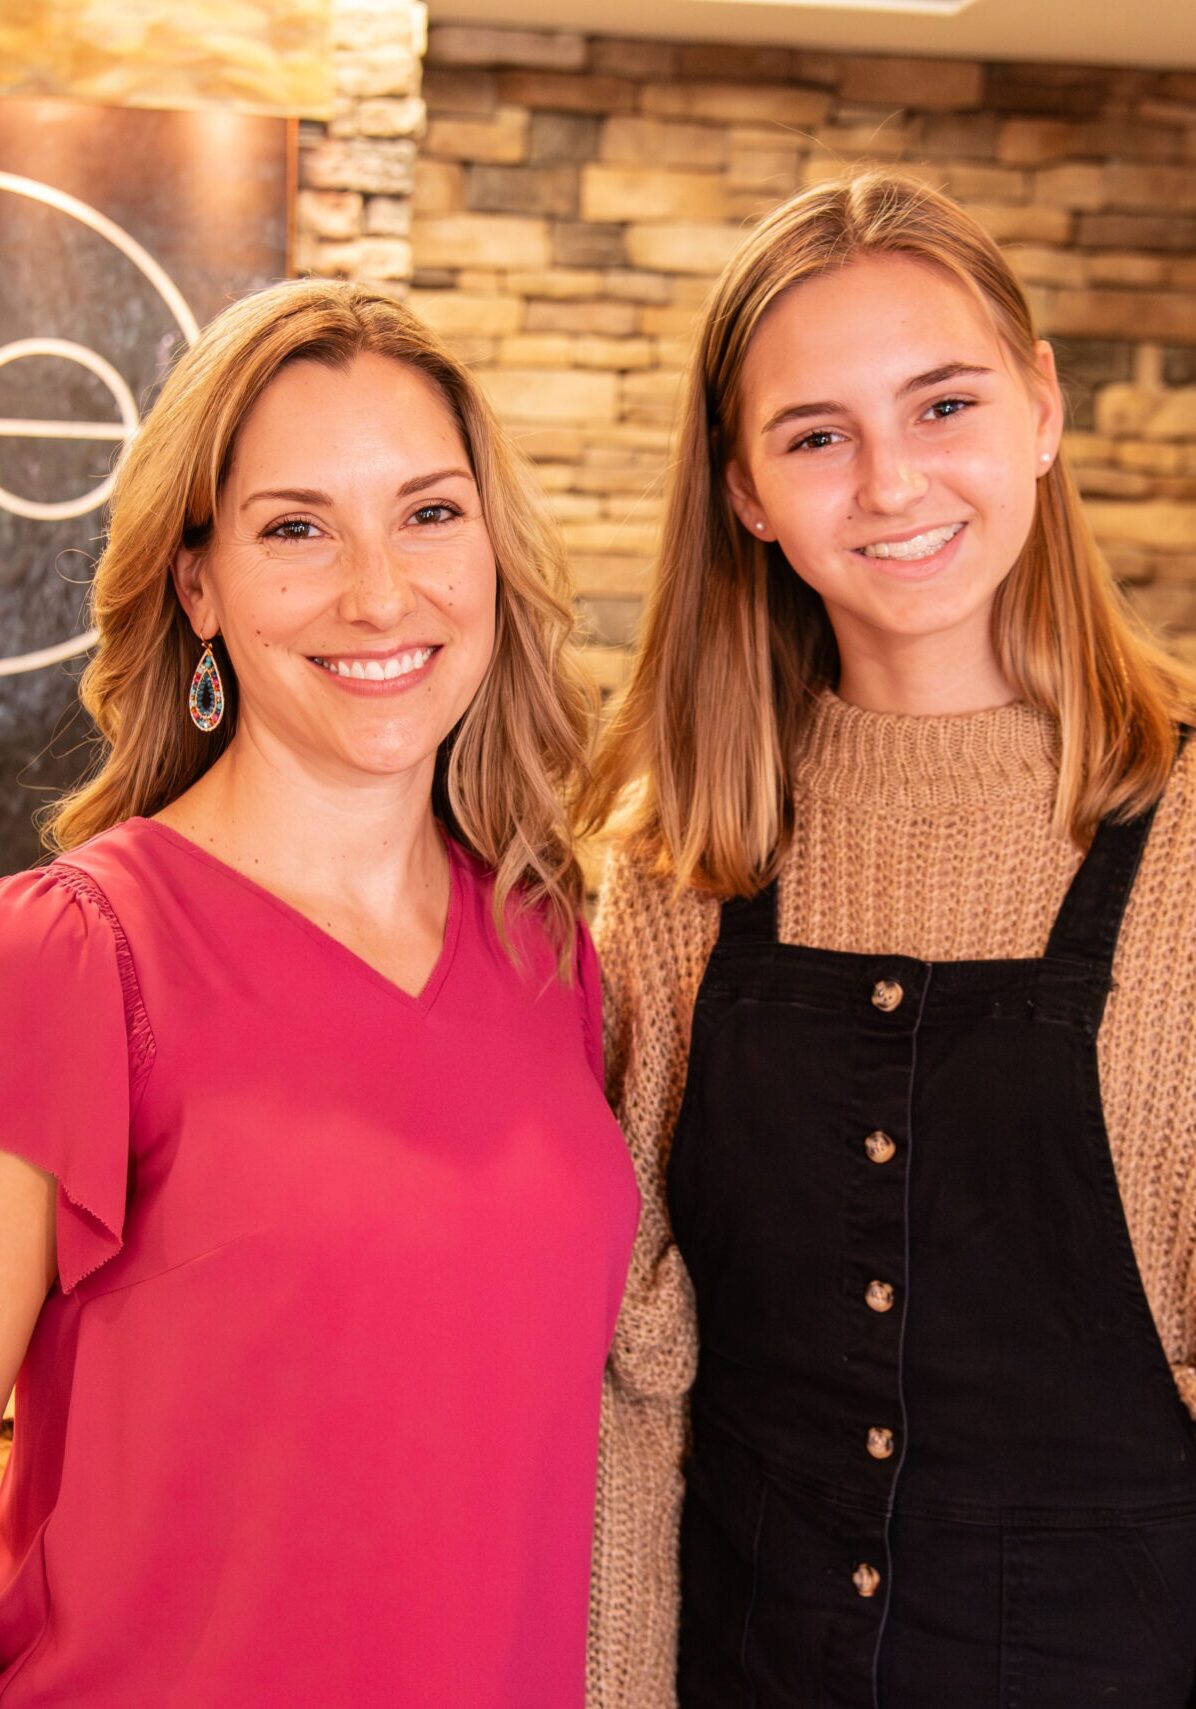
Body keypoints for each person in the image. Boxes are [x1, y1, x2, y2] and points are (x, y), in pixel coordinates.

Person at [585, 169, 1196, 1709]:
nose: (890, 484)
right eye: (814, 436)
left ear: (1042, 408)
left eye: (943, 405)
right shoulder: (677, 862)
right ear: (741, 488)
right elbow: (637, 1383)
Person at [0, 280, 637, 1707]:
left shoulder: (552, 954)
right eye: (298, 527)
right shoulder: (72, 953)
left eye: (428, 513)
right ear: (198, 584)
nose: (379, 591)